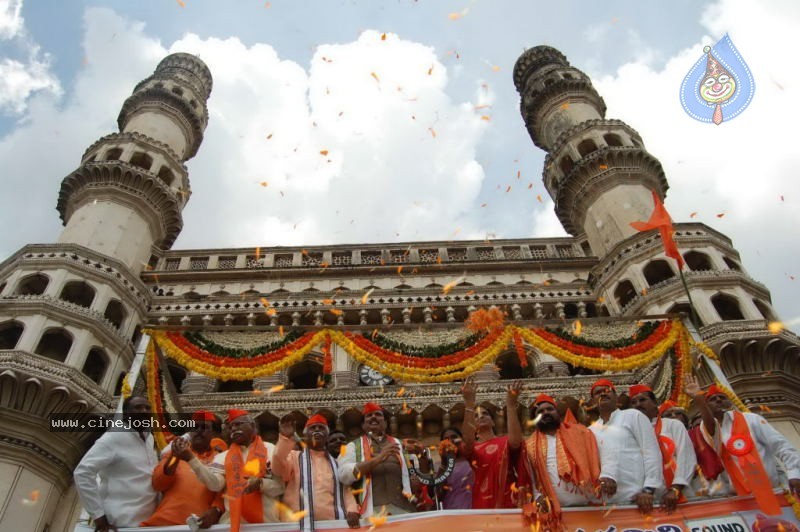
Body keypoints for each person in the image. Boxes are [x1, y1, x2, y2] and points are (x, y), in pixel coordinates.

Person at [687, 376, 800, 511]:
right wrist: (698, 398)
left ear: (729, 402)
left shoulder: (752, 419)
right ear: (706, 406)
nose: (718, 400)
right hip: (739, 502)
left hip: (773, 493)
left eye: (722, 397)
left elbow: (781, 445)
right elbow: (711, 427)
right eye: (712, 399)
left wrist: (794, 473)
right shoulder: (705, 431)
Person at [187, 409, 284, 529]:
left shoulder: (270, 450)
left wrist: (261, 484)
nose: (233, 428)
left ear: (253, 426)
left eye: (238, 424)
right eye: (230, 426)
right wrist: (191, 459)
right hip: (232, 525)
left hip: (266, 525)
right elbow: (215, 485)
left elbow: (280, 488)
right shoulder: (222, 457)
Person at [73, 395, 158, 531]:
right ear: (125, 414)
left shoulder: (149, 439)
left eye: (148, 408)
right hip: (119, 524)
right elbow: (82, 473)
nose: (144, 411)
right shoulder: (112, 437)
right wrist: (99, 517)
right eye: (138, 407)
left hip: (148, 524)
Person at [518, 393, 601, 524]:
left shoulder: (581, 432)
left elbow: (596, 458)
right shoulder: (529, 445)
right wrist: (538, 496)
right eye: (540, 411)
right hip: (557, 512)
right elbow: (532, 477)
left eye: (549, 409)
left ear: (557, 413)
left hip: (590, 509)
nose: (545, 413)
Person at [272, 414, 361, 529]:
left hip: (331, 525)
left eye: (321, 427)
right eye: (313, 428)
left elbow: (345, 491)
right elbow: (278, 469)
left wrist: (352, 510)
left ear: (327, 435)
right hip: (296, 524)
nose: (317, 430)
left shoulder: (336, 463)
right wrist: (285, 437)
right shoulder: (295, 457)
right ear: (305, 434)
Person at [588, 379, 663, 515]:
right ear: (593, 402)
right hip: (605, 506)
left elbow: (651, 452)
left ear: (616, 397)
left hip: (638, 500)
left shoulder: (633, 416)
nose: (603, 394)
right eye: (598, 393)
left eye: (607, 390)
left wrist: (648, 489)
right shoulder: (590, 431)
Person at [140, 410, 225, 527]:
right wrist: (175, 457)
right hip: (165, 523)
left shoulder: (220, 458)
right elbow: (158, 484)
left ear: (213, 433)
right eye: (195, 427)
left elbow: (225, 491)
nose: (199, 431)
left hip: (200, 525)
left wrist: (217, 509)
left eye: (204, 427)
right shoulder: (174, 453)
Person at [337, 402, 415, 516]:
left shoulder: (400, 445)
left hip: (404, 512)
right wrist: (379, 458)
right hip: (372, 514)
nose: (373, 417)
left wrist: (422, 455)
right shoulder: (352, 447)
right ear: (363, 425)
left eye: (378, 414)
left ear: (386, 423)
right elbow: (343, 475)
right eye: (369, 416)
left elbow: (415, 475)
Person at [629, 384, 697, 513]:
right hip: (647, 501)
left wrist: (675, 489)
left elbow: (686, 457)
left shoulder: (673, 425)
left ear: (655, 403)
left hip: (679, 496)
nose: (638, 404)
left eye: (642, 400)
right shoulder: (630, 433)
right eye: (633, 402)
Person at [461, 377, 524, 509]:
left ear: (493, 422)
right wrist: (469, 404)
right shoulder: (474, 448)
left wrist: (511, 405)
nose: (481, 416)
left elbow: (516, 442)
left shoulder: (505, 441)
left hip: (509, 499)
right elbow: (466, 442)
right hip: (482, 501)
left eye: (485, 414)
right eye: (476, 416)